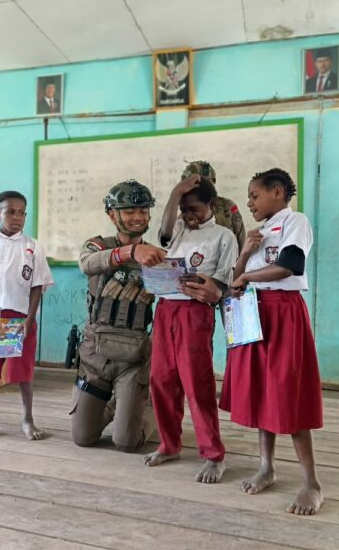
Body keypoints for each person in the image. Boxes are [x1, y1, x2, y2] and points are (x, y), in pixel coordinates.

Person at [220, 167, 324, 515]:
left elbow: (290, 265)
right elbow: (235, 281)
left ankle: (311, 482)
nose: (250, 203)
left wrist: (247, 275)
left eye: (255, 195)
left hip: (283, 313)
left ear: (277, 192)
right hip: (255, 312)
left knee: (287, 392)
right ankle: (266, 466)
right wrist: (244, 252)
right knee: (263, 391)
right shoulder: (258, 232)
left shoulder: (295, 222)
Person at [143, 175, 237, 483]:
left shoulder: (224, 236)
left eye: (194, 209)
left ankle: (213, 455)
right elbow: (165, 231)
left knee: (197, 384)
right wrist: (176, 193)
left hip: (195, 313)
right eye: (183, 209)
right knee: (161, 380)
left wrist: (210, 288)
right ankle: (169, 444)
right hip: (165, 309)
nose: (188, 215)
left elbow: (223, 282)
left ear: (211, 205)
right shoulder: (179, 229)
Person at [71, 180, 167, 452]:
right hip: (95, 356)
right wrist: (131, 252)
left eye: (143, 211)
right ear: (112, 215)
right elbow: (87, 264)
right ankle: (118, 406)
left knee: (126, 442)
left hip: (134, 357)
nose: (138, 217)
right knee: (83, 438)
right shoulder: (98, 245)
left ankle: (150, 408)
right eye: (129, 211)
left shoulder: (156, 256)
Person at [0, 190, 54, 442]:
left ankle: (27, 419)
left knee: (24, 374)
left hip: (21, 319)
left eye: (21, 213)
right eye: (10, 212)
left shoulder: (32, 247)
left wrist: (29, 319)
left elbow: (37, 286)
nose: (17, 217)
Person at [181, 161, 246, 252]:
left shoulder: (227, 205)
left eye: (206, 183)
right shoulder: (185, 212)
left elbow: (241, 239)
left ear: (213, 182)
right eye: (197, 184)